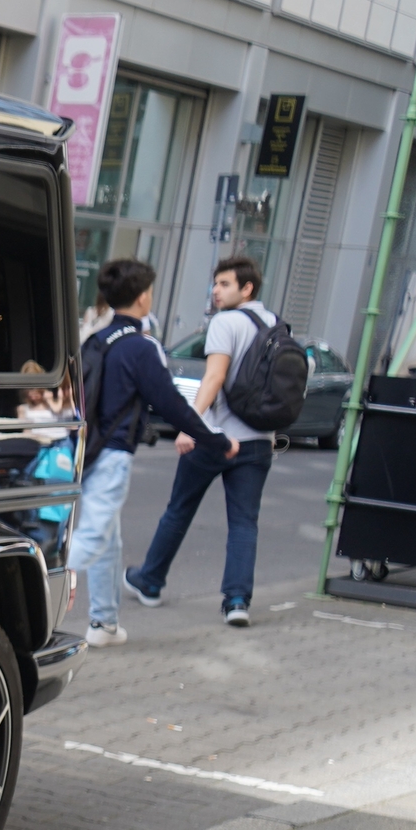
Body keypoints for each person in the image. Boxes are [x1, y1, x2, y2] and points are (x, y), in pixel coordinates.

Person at [72, 258, 236, 646]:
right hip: (112, 455)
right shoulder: (142, 348)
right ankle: (39, 590)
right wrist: (217, 439)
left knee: (108, 538)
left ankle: (104, 624)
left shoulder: (95, 340)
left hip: (85, 450)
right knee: (94, 536)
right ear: (143, 298)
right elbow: (172, 404)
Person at [124, 255, 274, 628]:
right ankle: (237, 600)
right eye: (216, 283)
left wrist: (191, 426)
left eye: (225, 284)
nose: (216, 291)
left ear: (246, 288)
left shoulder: (226, 323)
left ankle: (150, 581)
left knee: (179, 509)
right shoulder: (274, 324)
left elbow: (214, 378)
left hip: (215, 438)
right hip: (258, 441)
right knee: (244, 522)